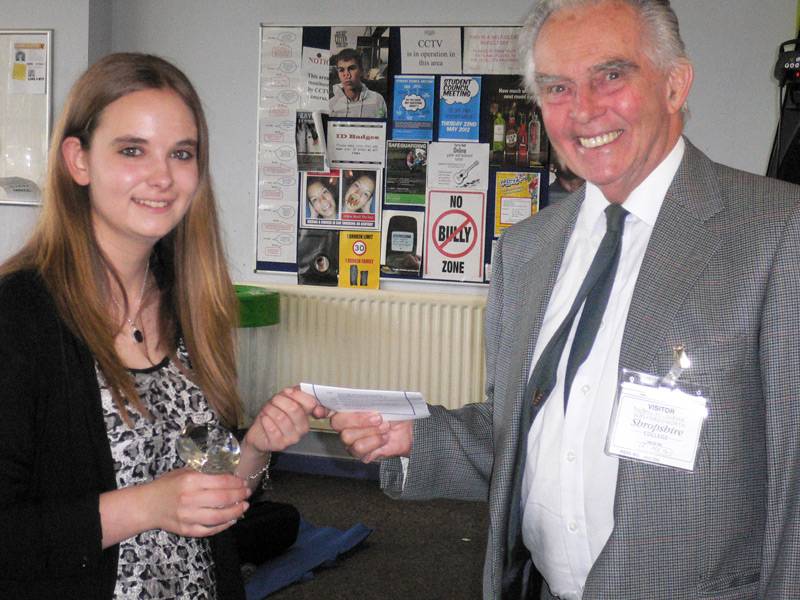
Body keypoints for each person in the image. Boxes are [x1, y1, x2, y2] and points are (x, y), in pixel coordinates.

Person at [329, 1, 800, 598]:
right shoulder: (525, 251)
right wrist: (416, 439)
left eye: (611, 75)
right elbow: (528, 431)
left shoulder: (777, 232)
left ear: (675, 84)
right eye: (556, 87)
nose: (583, 110)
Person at [0, 53, 322, 599]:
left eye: (181, 153)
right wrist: (146, 505)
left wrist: (257, 448)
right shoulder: (20, 318)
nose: (162, 177)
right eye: (132, 150)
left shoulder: (188, 301)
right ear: (78, 161)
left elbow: (206, 481)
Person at [329, 48, 387, 119]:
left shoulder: (378, 100)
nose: (347, 74)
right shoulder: (331, 105)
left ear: (361, 71)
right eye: (341, 70)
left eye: (352, 68)